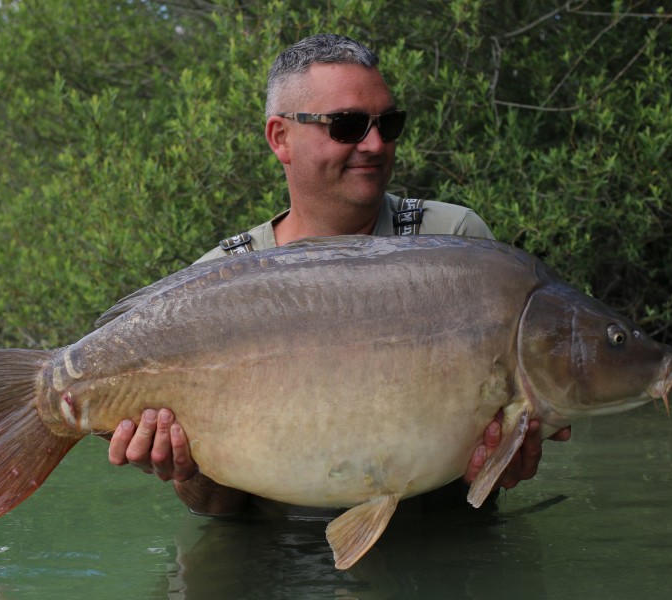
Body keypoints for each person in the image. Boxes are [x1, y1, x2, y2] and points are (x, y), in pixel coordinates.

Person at [107, 33, 571, 517]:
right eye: (347, 126)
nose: (374, 144)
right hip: (274, 555)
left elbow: (485, 468)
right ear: (280, 138)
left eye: (388, 124)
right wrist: (182, 466)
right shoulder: (216, 282)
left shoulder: (454, 241)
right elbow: (216, 511)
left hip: (432, 538)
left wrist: (502, 462)